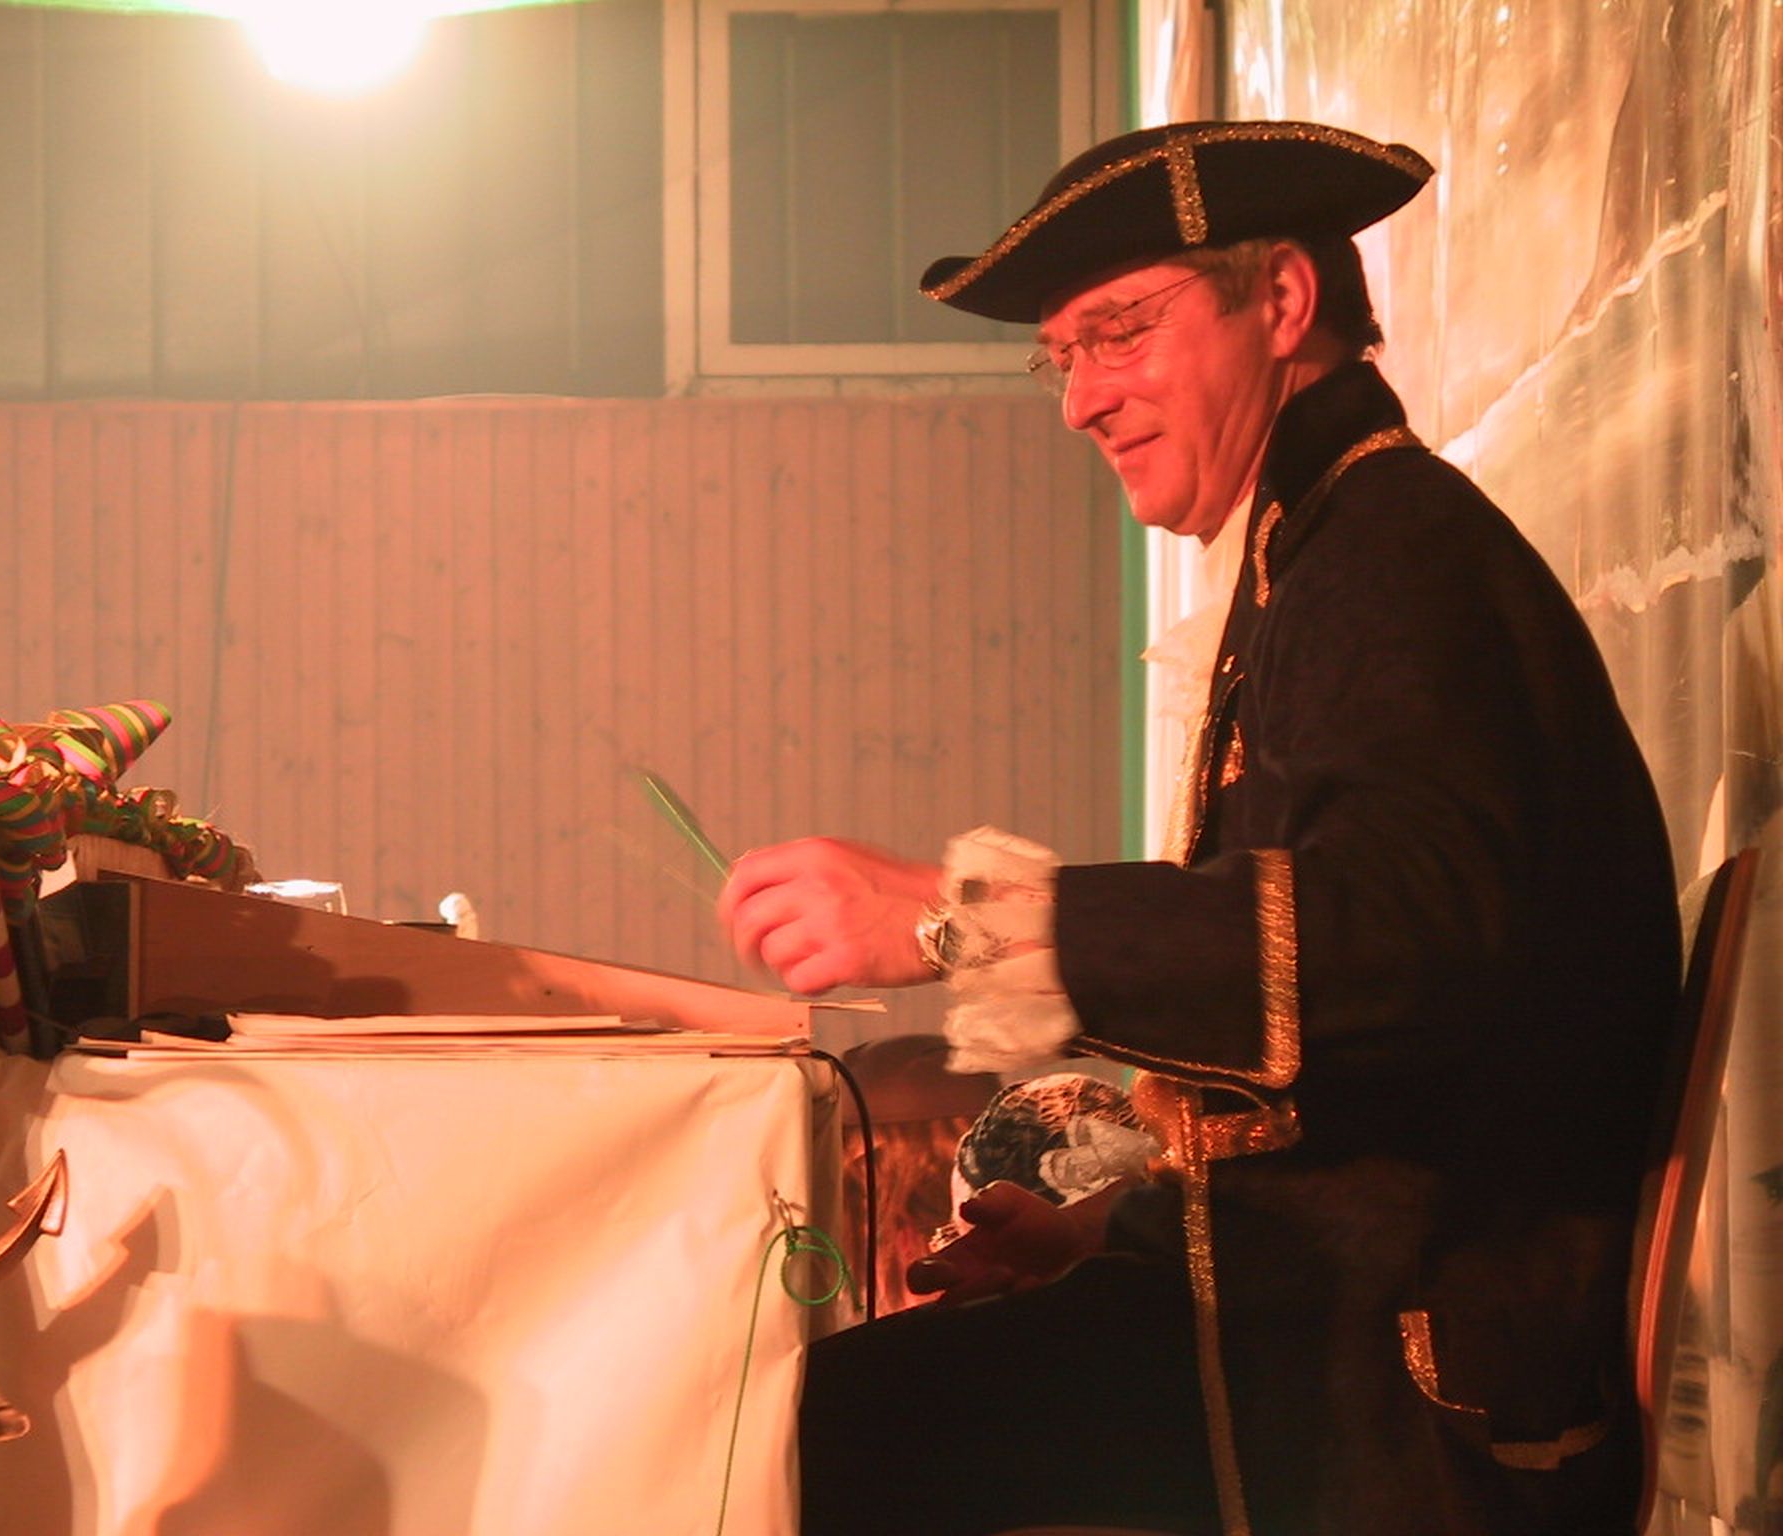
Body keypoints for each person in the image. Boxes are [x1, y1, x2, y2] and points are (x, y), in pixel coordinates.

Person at [717, 120, 1682, 1536]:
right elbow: (1325, 1068)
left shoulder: (1394, 552)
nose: (1079, 401)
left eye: (1118, 333)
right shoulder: (1324, 544)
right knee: (802, 1426)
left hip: (1388, 1386)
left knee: (791, 1449)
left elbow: (1401, 941)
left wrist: (952, 920)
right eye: (1062, 357)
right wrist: (1104, 1216)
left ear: (1281, 301)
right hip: (1308, 1308)